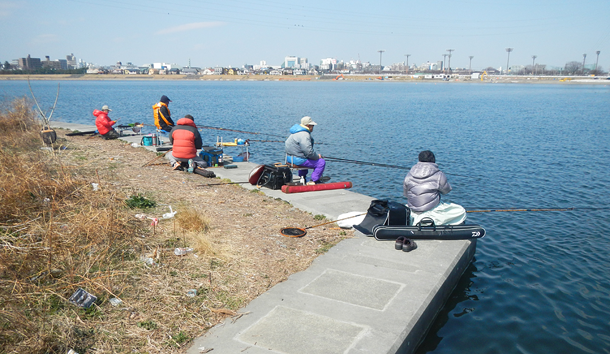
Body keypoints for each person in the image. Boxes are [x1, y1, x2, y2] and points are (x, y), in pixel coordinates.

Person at [403, 150, 466, 225]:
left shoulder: (409, 174)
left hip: (412, 209)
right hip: (431, 209)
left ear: (419, 159)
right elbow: (446, 191)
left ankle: (417, 220)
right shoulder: (439, 174)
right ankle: (427, 221)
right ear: (433, 160)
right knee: (461, 210)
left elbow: (406, 194)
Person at [285, 116, 326, 185]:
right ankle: (314, 181)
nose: (313, 127)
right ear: (308, 126)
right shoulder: (304, 135)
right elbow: (309, 152)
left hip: (289, 158)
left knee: (305, 158)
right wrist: (317, 157)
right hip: (297, 160)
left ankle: (302, 176)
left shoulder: (295, 132)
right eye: (312, 126)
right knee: (321, 162)